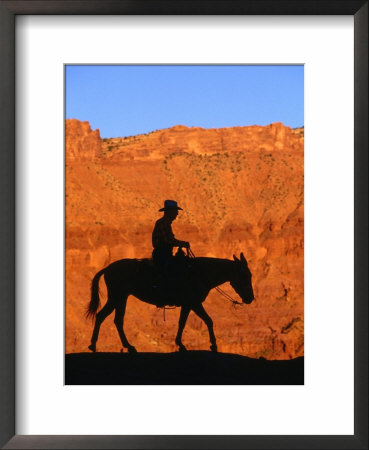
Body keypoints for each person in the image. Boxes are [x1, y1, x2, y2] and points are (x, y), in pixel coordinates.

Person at [152, 200, 190, 294]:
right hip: (162, 254)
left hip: (164, 252)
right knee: (171, 270)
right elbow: (168, 240)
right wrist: (182, 244)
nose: (177, 214)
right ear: (169, 212)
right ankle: (162, 290)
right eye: (175, 211)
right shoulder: (163, 223)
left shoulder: (165, 223)